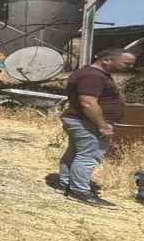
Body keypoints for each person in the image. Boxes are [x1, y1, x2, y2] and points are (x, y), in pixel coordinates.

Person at [58, 48, 137, 209]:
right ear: (106, 60)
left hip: (80, 120)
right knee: (88, 156)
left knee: (75, 153)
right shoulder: (92, 76)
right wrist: (102, 126)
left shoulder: (93, 74)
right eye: (126, 63)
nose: (129, 67)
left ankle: (67, 185)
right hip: (88, 122)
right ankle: (79, 192)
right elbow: (88, 103)